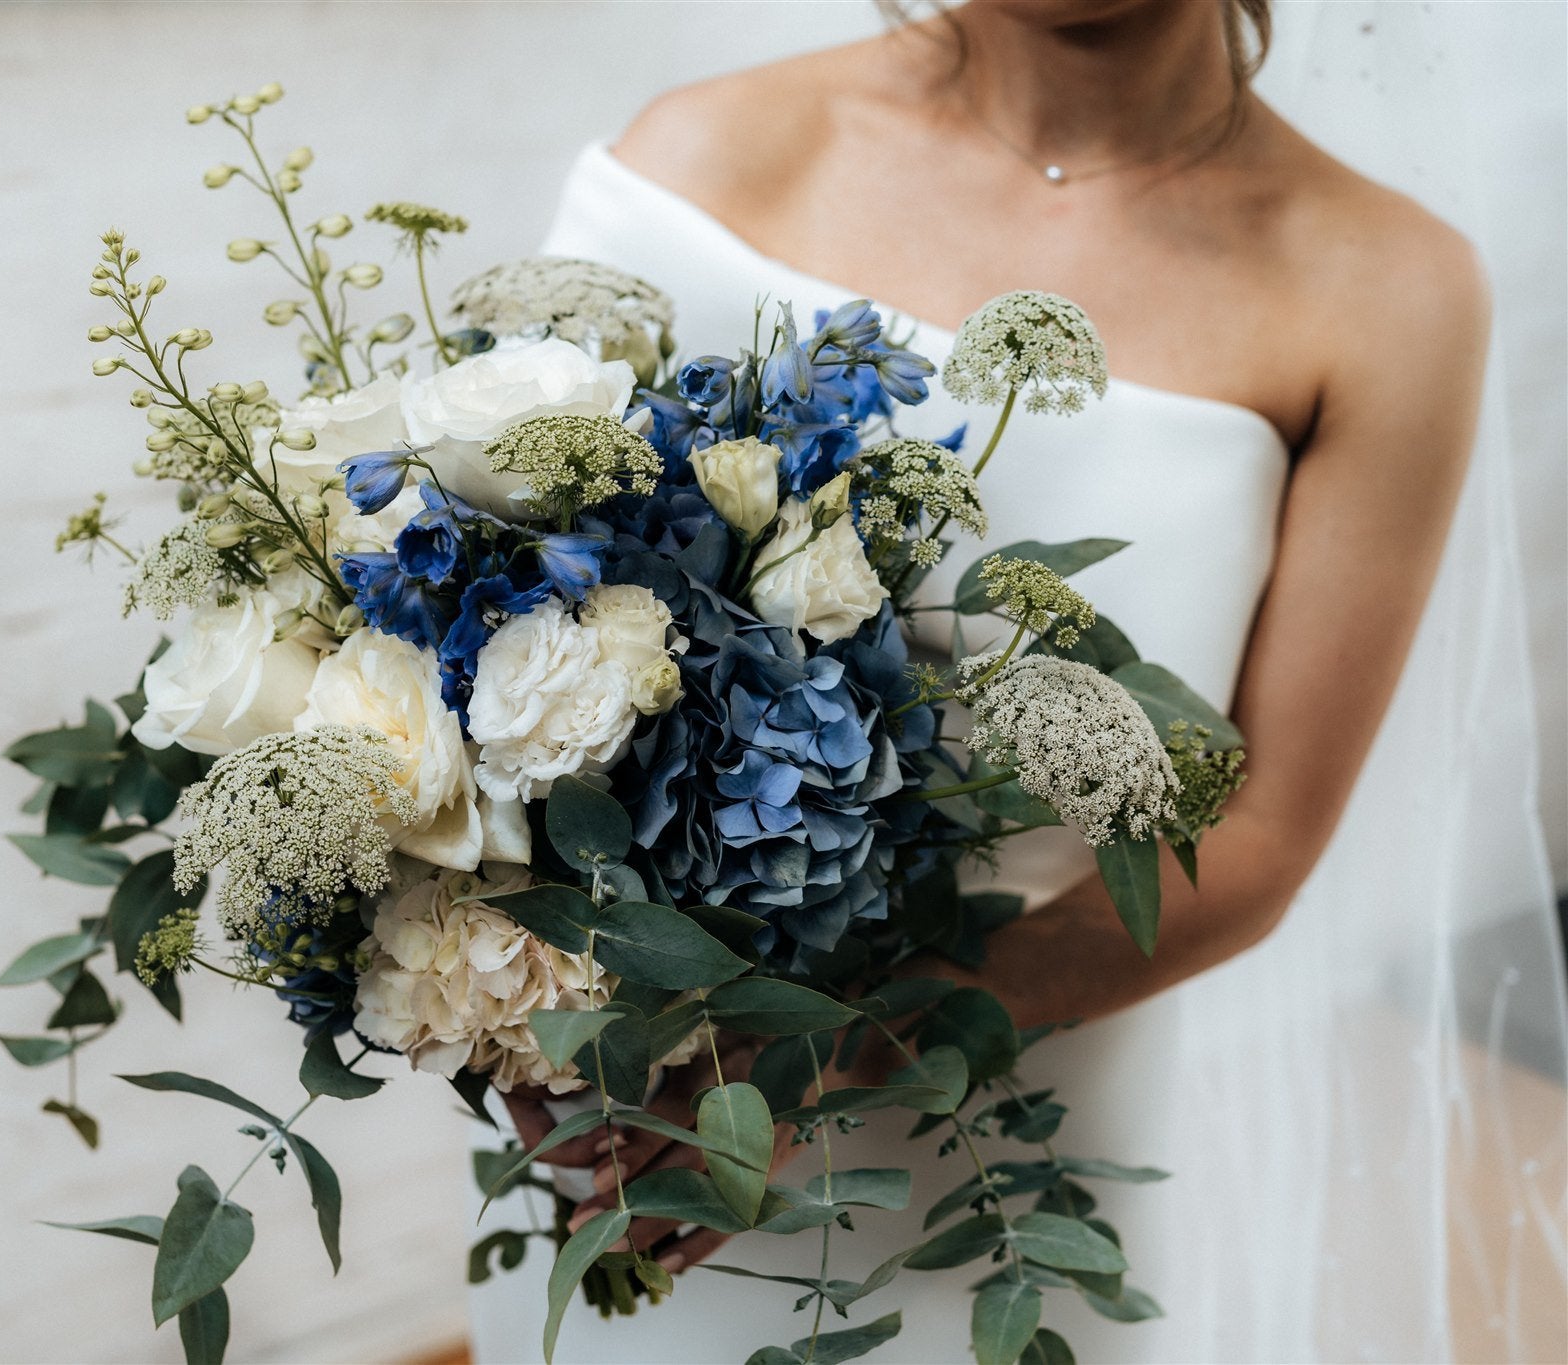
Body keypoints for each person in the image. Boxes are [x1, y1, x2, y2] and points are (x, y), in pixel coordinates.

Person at [472, 2, 1566, 1360]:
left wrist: (823, 1050)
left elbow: (1259, 831)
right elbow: (476, 624)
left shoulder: (1388, 291)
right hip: (620, 1120)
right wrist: (504, 998)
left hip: (1000, 1151)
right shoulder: (705, 154)